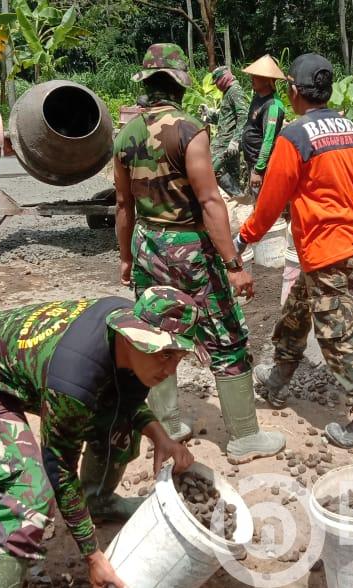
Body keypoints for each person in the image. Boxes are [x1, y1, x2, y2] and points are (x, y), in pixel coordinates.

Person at [0, 286, 199, 588]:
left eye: (180, 356)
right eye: (165, 354)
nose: (170, 370)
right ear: (132, 337)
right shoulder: (75, 381)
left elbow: (125, 403)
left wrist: (161, 437)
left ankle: (99, 502)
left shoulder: (131, 335)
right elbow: (59, 468)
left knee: (119, 427)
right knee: (29, 497)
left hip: (25, 368)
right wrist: (93, 556)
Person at [113, 43, 285, 463]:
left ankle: (168, 424)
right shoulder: (189, 130)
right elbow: (209, 200)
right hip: (190, 248)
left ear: (146, 84)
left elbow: (122, 205)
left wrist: (126, 257)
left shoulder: (126, 135)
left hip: (147, 244)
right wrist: (234, 264)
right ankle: (244, 437)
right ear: (178, 85)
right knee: (226, 335)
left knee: (156, 330)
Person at [238, 53, 353, 449]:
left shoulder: (296, 136)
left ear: (294, 91)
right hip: (345, 246)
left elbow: (271, 201)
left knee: (337, 331)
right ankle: (278, 378)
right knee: (297, 311)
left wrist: (245, 237)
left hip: (324, 249)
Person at [240, 55, 287, 198]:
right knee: (256, 201)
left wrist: (258, 170)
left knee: (262, 202)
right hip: (251, 159)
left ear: (267, 80)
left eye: (256, 76)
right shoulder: (258, 97)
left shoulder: (273, 106)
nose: (252, 79)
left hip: (260, 164)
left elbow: (268, 139)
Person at [206, 65, 249, 197]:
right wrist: (210, 115)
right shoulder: (228, 92)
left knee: (210, 167)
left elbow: (244, 116)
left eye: (217, 82)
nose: (216, 86)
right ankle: (239, 198)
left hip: (226, 141)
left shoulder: (235, 90)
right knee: (232, 173)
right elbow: (227, 118)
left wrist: (235, 140)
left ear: (223, 79)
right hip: (227, 140)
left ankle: (238, 196)